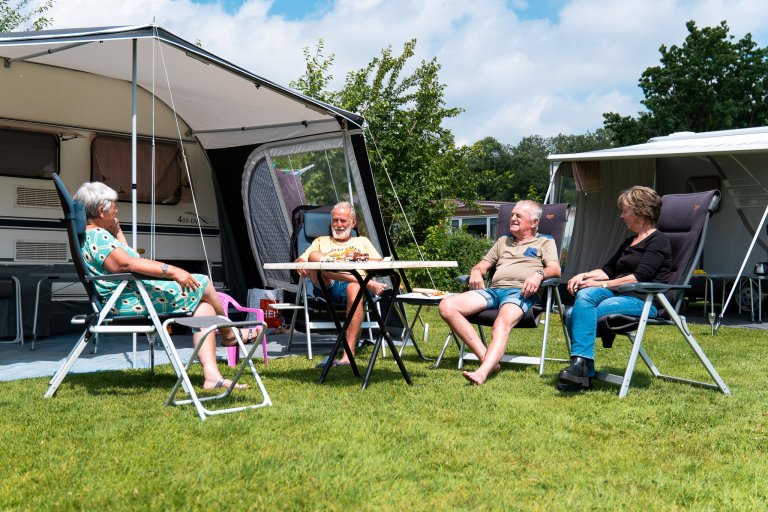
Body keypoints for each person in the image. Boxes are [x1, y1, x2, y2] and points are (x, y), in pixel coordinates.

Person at [73, 181, 255, 392]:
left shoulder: (92, 234)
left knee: (203, 308)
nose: (117, 209)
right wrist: (173, 271)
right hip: (127, 300)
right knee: (203, 283)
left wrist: (118, 232)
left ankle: (212, 376)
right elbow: (126, 264)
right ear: (100, 210)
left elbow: (128, 257)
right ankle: (228, 333)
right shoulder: (98, 236)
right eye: (114, 205)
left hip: (128, 294)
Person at [557, 185, 672, 392]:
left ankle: (582, 370)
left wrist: (600, 284)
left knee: (575, 314)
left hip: (643, 300)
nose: (621, 216)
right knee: (581, 299)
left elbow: (640, 277)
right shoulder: (630, 241)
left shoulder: (659, 241)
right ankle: (581, 370)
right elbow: (608, 270)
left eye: (625, 210)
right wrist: (583, 275)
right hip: (616, 294)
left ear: (641, 211)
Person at [438, 200, 561, 385]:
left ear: (534, 222)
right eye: (512, 215)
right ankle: (489, 360)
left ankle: (482, 372)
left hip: (520, 293)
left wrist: (538, 274)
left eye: (518, 215)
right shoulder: (503, 241)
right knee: (447, 306)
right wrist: (476, 271)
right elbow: (483, 264)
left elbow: (555, 269)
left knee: (501, 323)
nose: (512, 218)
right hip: (493, 291)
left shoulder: (545, 241)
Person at [295, 201, 388, 366]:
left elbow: (380, 263)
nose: (338, 225)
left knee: (355, 287)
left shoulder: (362, 242)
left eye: (343, 221)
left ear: (353, 222)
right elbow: (303, 259)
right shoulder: (321, 241)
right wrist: (300, 263)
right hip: (327, 285)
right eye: (335, 220)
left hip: (356, 290)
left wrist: (362, 257)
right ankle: (366, 283)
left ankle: (348, 355)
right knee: (315, 257)